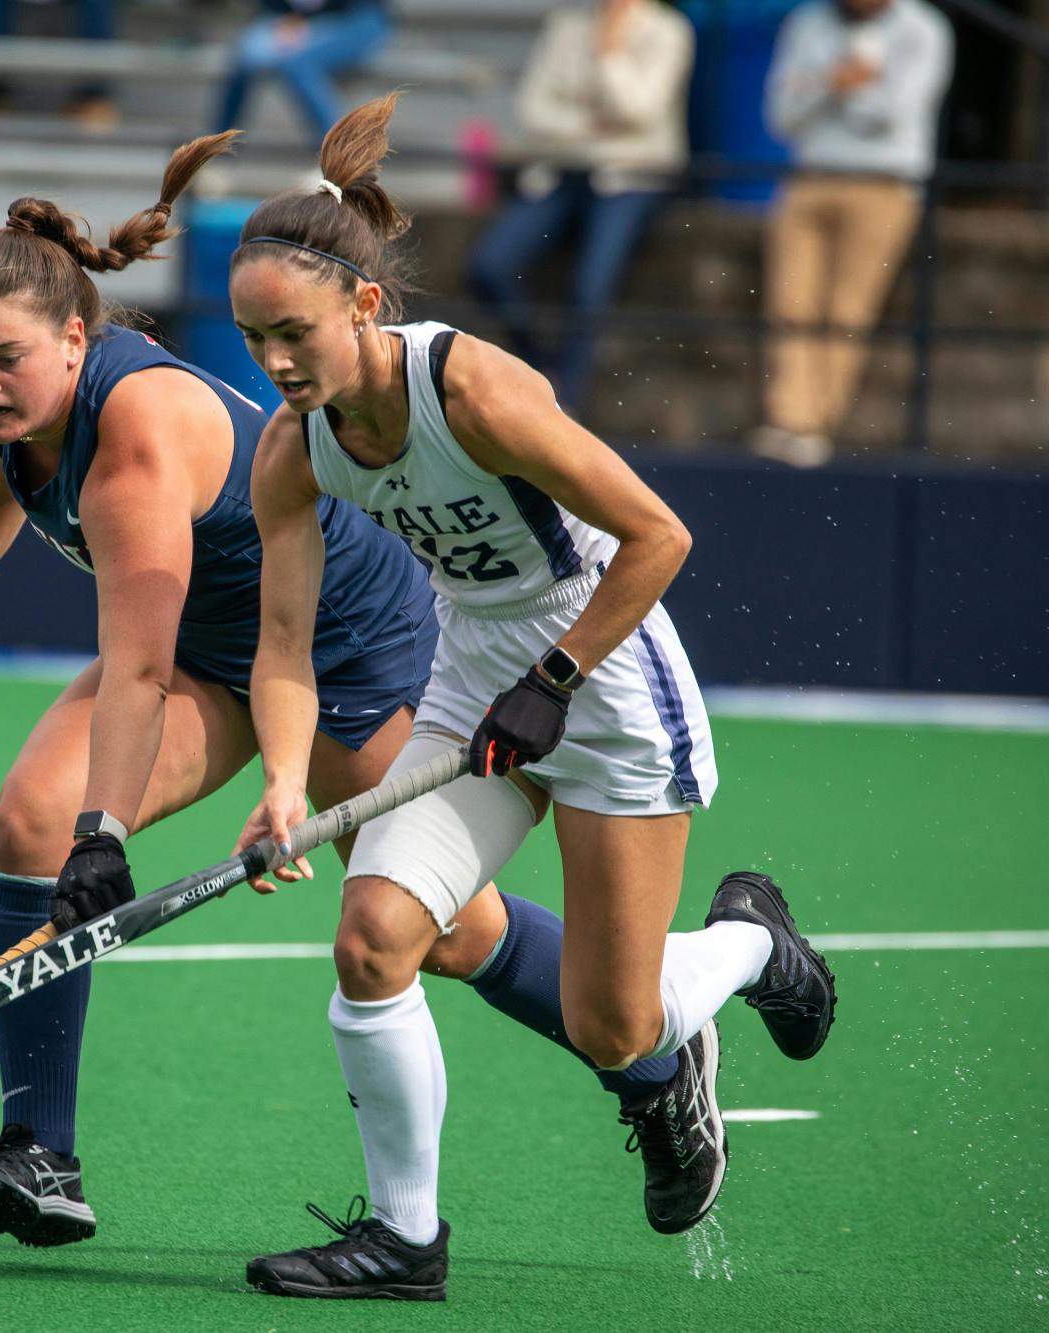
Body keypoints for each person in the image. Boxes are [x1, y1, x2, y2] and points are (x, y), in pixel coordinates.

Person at [0, 129, 710, 1255]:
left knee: (447, 932)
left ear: (74, 341)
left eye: (2, 361)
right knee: (28, 826)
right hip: (222, 653)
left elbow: (135, 664)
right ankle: (40, 1155)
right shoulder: (18, 395)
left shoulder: (137, 447)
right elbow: (9, 454)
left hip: (345, 649)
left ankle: (655, 1064)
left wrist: (107, 830)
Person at [228, 95, 838, 1299]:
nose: (275, 365)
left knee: (615, 1029)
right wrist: (284, 784)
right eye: (253, 343)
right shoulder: (294, 449)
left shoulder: (471, 389)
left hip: (603, 674)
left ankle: (750, 943)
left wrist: (554, 682)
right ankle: (404, 1242)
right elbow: (284, 644)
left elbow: (657, 535)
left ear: (361, 304)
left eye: (291, 334)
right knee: (375, 941)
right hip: (470, 675)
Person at [749, 0, 953, 467]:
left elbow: (892, 112)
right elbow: (781, 115)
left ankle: (813, 427)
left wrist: (825, 85)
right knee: (789, 302)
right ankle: (787, 421)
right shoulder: (808, 21)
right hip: (809, 178)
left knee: (847, 309)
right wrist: (847, 81)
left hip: (884, 186)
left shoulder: (923, 28)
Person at [466, 0, 693, 416]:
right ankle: (539, 373)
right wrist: (591, 129)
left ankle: (565, 402)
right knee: (489, 265)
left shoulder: (669, 30)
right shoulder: (567, 25)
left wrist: (610, 52)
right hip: (561, 171)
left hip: (630, 178)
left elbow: (639, 108)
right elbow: (532, 110)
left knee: (591, 288)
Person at [209, 0, 389, 142]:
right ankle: (215, 149)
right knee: (246, 57)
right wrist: (290, 20)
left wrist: (305, 23)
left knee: (299, 64)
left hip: (351, 17)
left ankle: (339, 150)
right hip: (285, 19)